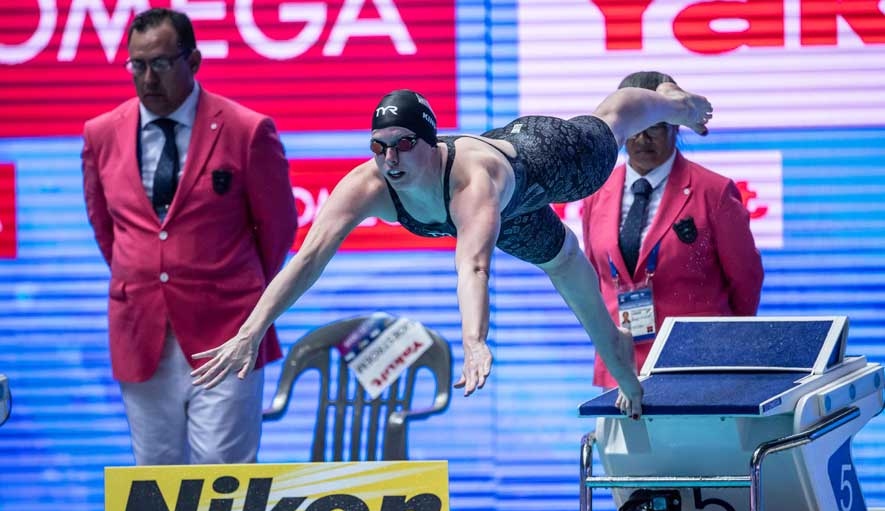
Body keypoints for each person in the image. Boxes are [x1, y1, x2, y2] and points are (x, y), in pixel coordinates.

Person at [191, 84, 714, 419]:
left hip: (539, 160)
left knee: (608, 126)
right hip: (513, 218)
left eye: (401, 144)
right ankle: (618, 353)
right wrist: (250, 330)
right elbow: (306, 261)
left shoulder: (470, 181)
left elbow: (474, 265)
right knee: (563, 262)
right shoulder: (367, 186)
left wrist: (473, 341)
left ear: (430, 140)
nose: (389, 158)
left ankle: (673, 101)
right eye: (379, 145)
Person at [81, 8, 297, 465]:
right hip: (140, 329)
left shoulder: (246, 129)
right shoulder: (100, 134)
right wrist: (146, 274)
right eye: (136, 65)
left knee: (224, 475)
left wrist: (237, 290)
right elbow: (108, 230)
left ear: (193, 60)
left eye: (160, 63)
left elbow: (277, 229)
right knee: (154, 477)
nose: (147, 78)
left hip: (227, 329)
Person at [582, 71, 763, 390]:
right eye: (634, 127)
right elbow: (597, 281)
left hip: (700, 369)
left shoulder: (714, 192)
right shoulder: (596, 193)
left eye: (654, 125)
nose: (642, 139)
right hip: (620, 372)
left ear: (675, 123)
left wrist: (724, 345)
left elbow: (745, 280)